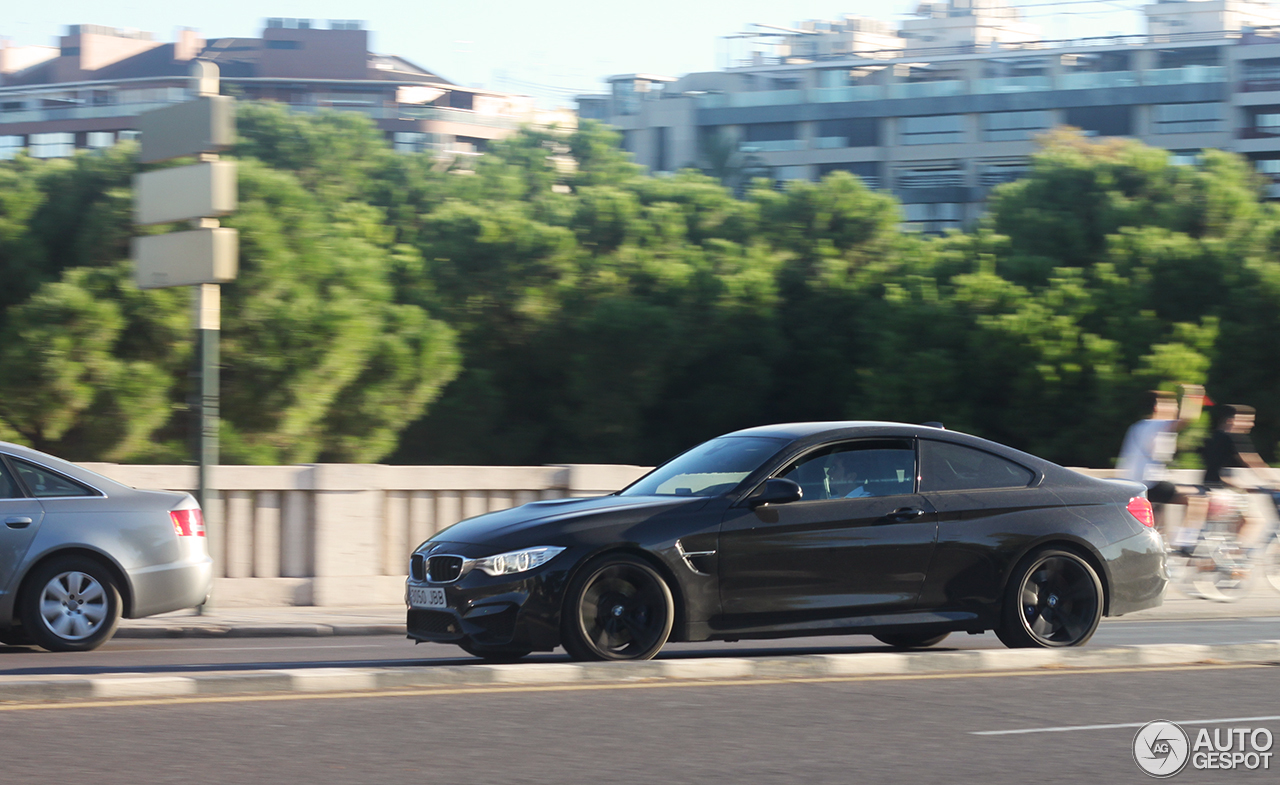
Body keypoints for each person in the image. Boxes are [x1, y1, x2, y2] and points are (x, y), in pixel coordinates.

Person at [1116, 386, 1205, 542]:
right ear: (1158, 407)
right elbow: (1188, 419)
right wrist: (1195, 395)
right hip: (1148, 484)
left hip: (1138, 484)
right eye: (1172, 404)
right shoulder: (1155, 424)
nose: (1176, 408)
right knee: (1198, 498)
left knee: (1154, 528)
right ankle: (1185, 543)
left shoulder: (1139, 426)